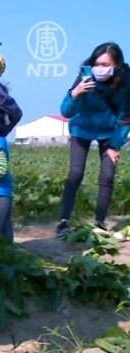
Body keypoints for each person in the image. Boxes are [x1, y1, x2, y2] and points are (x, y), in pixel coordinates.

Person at [56, 43, 130, 237]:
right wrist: (75, 94)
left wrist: (115, 145)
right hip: (82, 129)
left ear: (117, 65)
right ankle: (63, 222)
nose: (100, 68)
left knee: (107, 176)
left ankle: (100, 222)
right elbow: (65, 111)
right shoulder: (85, 76)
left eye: (105, 64)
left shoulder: (125, 81)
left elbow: (125, 117)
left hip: (109, 131)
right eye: (97, 63)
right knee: (75, 174)